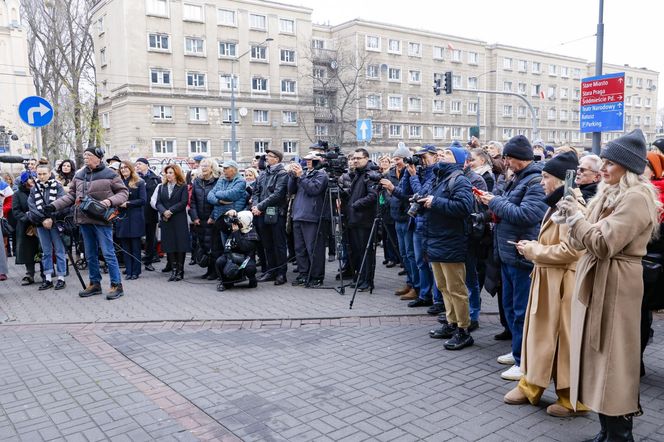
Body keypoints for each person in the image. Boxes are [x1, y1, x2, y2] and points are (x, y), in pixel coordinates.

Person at [554, 129, 660, 441]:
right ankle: (607, 431)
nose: (603, 167)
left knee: (615, 360)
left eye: (609, 162)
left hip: (616, 285)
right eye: (603, 161)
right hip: (601, 280)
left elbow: (602, 243)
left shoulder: (637, 198)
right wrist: (571, 219)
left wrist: (577, 220)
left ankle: (619, 435)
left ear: (627, 166)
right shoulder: (608, 194)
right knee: (599, 358)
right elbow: (586, 240)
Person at [503, 151, 589, 418]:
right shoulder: (557, 202)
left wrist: (533, 250)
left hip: (563, 286)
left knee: (564, 342)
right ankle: (532, 385)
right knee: (539, 337)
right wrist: (534, 249)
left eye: (546, 177)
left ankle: (570, 398)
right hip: (549, 282)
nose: (541, 182)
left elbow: (571, 251)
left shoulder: (571, 204)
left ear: (561, 180)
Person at [479, 135, 548, 381]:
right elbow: (509, 206)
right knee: (510, 307)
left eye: (507, 157)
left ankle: (524, 361)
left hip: (521, 255)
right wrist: (494, 203)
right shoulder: (519, 178)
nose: (504, 162)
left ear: (517, 158)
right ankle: (517, 350)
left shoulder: (535, 181)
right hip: (508, 253)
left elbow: (527, 214)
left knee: (521, 310)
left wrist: (494, 202)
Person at [48, 147, 129, 300]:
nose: (85, 158)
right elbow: (71, 196)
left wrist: (109, 201)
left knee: (108, 253)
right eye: (84, 155)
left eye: (89, 155)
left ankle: (116, 285)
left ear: (98, 157)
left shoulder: (111, 174)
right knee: (90, 254)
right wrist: (54, 206)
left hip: (102, 220)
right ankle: (94, 284)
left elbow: (123, 193)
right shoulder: (79, 175)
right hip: (84, 220)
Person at [421, 146, 475, 350]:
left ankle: (463, 329)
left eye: (447, 153)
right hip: (435, 239)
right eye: (441, 153)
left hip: (451, 240)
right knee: (443, 286)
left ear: (458, 160)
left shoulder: (459, 180)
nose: (441, 155)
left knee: (457, 289)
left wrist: (435, 202)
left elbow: (464, 207)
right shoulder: (439, 178)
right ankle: (452, 323)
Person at [380, 144, 418, 300]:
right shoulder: (390, 174)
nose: (396, 162)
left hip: (407, 218)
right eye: (394, 159)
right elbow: (387, 193)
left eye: (399, 159)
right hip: (395, 216)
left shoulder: (410, 172)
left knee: (410, 253)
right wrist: (392, 200)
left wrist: (394, 193)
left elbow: (409, 195)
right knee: (403, 253)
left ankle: (416, 286)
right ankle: (410, 282)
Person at [288, 152, 329, 287]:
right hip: (298, 214)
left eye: (312, 159)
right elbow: (291, 190)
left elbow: (314, 189)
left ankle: (316, 276)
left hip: (312, 216)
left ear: (319, 161)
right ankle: (303, 273)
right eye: (306, 159)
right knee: (300, 248)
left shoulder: (321, 174)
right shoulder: (303, 173)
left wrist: (301, 176)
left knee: (314, 249)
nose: (308, 162)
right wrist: (293, 177)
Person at [28, 164, 68, 290]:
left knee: (59, 250)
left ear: (49, 173)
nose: (41, 176)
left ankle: (61, 278)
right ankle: (48, 278)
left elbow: (62, 203)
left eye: (44, 173)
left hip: (55, 223)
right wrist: (43, 219)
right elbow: (32, 206)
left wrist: (52, 218)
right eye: (39, 174)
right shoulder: (34, 189)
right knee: (46, 252)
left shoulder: (58, 186)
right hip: (41, 224)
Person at [252, 149, 289, 285]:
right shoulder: (263, 173)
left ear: (277, 159)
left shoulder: (282, 174)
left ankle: (281, 273)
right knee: (267, 244)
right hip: (261, 213)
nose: (267, 158)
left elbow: (278, 194)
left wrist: (259, 206)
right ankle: (271, 271)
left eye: (270, 156)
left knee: (278, 244)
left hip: (276, 213)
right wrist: (256, 206)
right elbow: (256, 191)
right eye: (267, 156)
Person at [346, 148, 378, 291]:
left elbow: (373, 196)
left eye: (358, 158)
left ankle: (367, 280)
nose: (355, 161)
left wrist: (356, 204)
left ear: (366, 159)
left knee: (366, 252)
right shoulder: (357, 174)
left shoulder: (370, 175)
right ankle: (360, 278)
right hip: (355, 219)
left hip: (365, 220)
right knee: (357, 252)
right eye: (354, 158)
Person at [155, 164, 190, 281]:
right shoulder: (162, 187)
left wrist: (171, 210)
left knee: (180, 244)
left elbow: (184, 202)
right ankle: (173, 270)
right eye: (167, 173)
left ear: (176, 174)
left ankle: (180, 271)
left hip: (178, 219)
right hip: (166, 219)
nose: (168, 175)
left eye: (171, 172)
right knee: (169, 244)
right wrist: (164, 211)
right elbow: (158, 202)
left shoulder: (182, 186)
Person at [115, 161, 146, 280]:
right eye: (121, 168)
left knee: (135, 246)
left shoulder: (139, 182)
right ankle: (128, 270)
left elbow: (143, 200)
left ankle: (136, 271)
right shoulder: (118, 183)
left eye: (125, 167)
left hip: (135, 217)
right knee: (125, 247)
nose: (123, 170)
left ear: (131, 168)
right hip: (122, 218)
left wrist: (128, 203)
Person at [190, 158, 219, 279]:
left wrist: (212, 217)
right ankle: (208, 270)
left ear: (212, 167)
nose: (204, 168)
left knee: (213, 245)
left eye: (206, 165)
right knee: (203, 244)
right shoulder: (197, 181)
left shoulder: (217, 181)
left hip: (212, 219)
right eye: (202, 165)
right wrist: (194, 217)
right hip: (200, 219)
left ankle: (215, 271)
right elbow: (193, 202)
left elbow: (218, 202)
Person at [215, 210, 260, 291]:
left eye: (239, 221)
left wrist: (236, 232)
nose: (237, 223)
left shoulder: (253, 234)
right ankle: (225, 283)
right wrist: (226, 214)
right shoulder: (234, 227)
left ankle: (252, 280)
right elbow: (218, 225)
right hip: (230, 257)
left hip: (245, 259)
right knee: (219, 261)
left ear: (245, 222)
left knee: (250, 268)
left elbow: (243, 247)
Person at [12, 171, 41, 286]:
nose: (33, 180)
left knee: (42, 249)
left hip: (40, 224)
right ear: (24, 181)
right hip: (25, 226)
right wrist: (27, 217)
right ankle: (30, 274)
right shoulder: (18, 194)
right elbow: (16, 211)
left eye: (35, 177)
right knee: (27, 250)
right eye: (30, 178)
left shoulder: (40, 191)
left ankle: (46, 272)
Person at [134, 158, 161, 271]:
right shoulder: (134, 178)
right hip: (137, 212)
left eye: (139, 164)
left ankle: (149, 261)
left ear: (147, 165)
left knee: (150, 238)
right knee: (136, 238)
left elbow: (160, 195)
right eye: (136, 164)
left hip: (150, 212)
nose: (137, 166)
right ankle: (134, 263)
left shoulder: (155, 179)